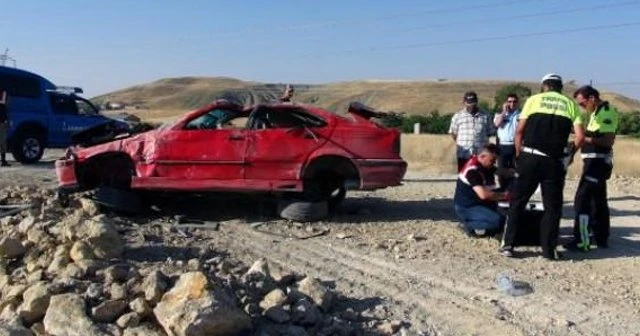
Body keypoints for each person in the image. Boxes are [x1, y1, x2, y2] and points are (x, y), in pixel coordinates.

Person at [499, 73, 585, 260]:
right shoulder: (570, 104)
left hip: (530, 157)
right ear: (560, 87)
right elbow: (580, 137)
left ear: (544, 86)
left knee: (518, 201)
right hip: (554, 162)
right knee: (552, 207)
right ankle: (549, 250)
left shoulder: (533, 100)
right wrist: (570, 155)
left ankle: (508, 245)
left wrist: (519, 154)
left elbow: (520, 130)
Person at [565, 85, 619, 251]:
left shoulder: (607, 112)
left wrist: (584, 139)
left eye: (582, 104)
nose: (582, 107)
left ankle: (582, 240)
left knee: (582, 201)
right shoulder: (596, 112)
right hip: (592, 162)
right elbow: (592, 135)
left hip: (597, 163)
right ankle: (601, 238)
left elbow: (607, 141)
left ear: (592, 98)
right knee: (598, 201)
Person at [454, 144, 511, 237]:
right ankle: (469, 226)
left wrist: (515, 173)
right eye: (492, 160)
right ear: (482, 156)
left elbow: (499, 171)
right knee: (498, 221)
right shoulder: (472, 171)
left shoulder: (483, 164)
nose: (493, 163)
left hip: (479, 202)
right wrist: (505, 196)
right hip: (467, 207)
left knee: (505, 218)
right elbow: (483, 195)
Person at [448, 91, 495, 172]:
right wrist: (462, 141)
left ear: (477, 102)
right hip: (464, 154)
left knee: (481, 177)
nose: (471, 105)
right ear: (464, 102)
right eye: (468, 103)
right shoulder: (458, 116)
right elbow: (453, 132)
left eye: (473, 102)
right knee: (464, 178)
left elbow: (490, 132)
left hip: (481, 155)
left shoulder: (486, 115)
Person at [493, 93, 521, 190]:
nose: (512, 104)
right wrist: (504, 112)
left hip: (515, 145)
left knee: (515, 168)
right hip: (503, 145)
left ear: (517, 103)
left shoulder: (521, 115)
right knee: (502, 169)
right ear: (506, 102)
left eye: (514, 101)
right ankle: (503, 188)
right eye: (509, 101)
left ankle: (513, 189)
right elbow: (497, 124)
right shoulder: (499, 114)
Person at [0, 88, 9, 167]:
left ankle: (3, 160)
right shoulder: (3, 91)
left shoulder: (3, 91)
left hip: (2, 120)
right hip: (2, 120)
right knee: (2, 141)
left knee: (2, 141)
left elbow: (3, 102)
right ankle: (3, 161)